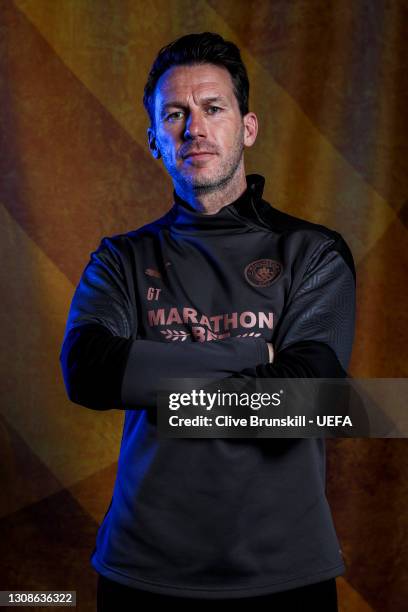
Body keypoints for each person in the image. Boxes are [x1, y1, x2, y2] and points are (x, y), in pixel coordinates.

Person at [59, 32, 355, 611]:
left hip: (284, 572)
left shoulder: (312, 252)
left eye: (212, 108)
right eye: (175, 114)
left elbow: (307, 401)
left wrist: (149, 377)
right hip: (141, 572)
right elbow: (89, 373)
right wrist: (256, 360)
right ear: (154, 140)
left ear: (247, 127)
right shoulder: (121, 259)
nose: (193, 127)